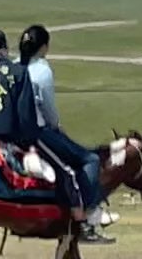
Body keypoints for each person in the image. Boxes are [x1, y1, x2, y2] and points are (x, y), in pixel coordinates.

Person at [18, 24, 111, 244]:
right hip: (38, 131)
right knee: (90, 159)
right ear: (44, 47)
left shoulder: (14, 66)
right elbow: (48, 109)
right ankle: (87, 217)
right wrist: (56, 126)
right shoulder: (42, 70)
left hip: (12, 131)